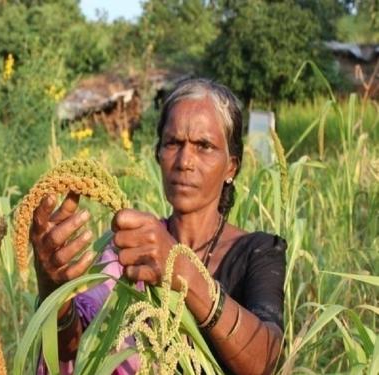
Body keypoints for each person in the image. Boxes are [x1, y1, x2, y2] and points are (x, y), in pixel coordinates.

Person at [32, 78, 287, 375]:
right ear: (158, 154)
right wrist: (55, 293)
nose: (184, 161)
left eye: (204, 146)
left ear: (231, 166)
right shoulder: (129, 250)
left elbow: (266, 360)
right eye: (173, 143)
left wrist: (180, 270)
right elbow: (81, 348)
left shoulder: (258, 251)